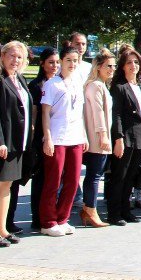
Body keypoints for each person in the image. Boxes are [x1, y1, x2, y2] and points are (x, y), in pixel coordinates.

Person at [0, 41, 32, 246]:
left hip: (18, 142)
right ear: (2, 56)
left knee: (7, 186)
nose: (15, 60)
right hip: (3, 142)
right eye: (11, 56)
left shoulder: (19, 78)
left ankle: (2, 228)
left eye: (19, 57)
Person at [39, 45, 88, 237]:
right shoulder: (52, 84)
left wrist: (83, 136)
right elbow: (45, 113)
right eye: (68, 60)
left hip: (75, 137)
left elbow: (80, 113)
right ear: (61, 61)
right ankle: (48, 221)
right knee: (53, 180)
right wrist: (48, 138)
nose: (72, 64)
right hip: (57, 137)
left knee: (73, 180)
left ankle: (62, 218)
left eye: (75, 60)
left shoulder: (77, 83)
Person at [105, 45, 141, 226]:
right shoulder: (119, 87)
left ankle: (125, 210)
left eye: (136, 62)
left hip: (140, 137)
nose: (133, 65)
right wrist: (118, 138)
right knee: (119, 176)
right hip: (125, 137)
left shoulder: (140, 85)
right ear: (122, 66)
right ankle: (114, 213)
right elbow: (116, 115)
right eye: (129, 62)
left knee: (130, 176)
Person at [80, 49, 114, 228]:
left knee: (95, 174)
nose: (112, 69)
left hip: (100, 136)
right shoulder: (95, 86)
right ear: (99, 67)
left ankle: (89, 208)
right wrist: (103, 135)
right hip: (97, 138)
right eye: (108, 66)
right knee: (94, 175)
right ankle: (90, 209)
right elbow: (98, 112)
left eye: (114, 66)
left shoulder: (101, 84)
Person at [27, 48, 58, 230]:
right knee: (40, 178)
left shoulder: (59, 83)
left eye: (56, 62)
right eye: (50, 62)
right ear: (42, 64)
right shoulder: (37, 86)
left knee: (53, 179)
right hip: (40, 137)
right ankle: (37, 217)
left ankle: (49, 214)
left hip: (58, 136)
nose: (54, 66)